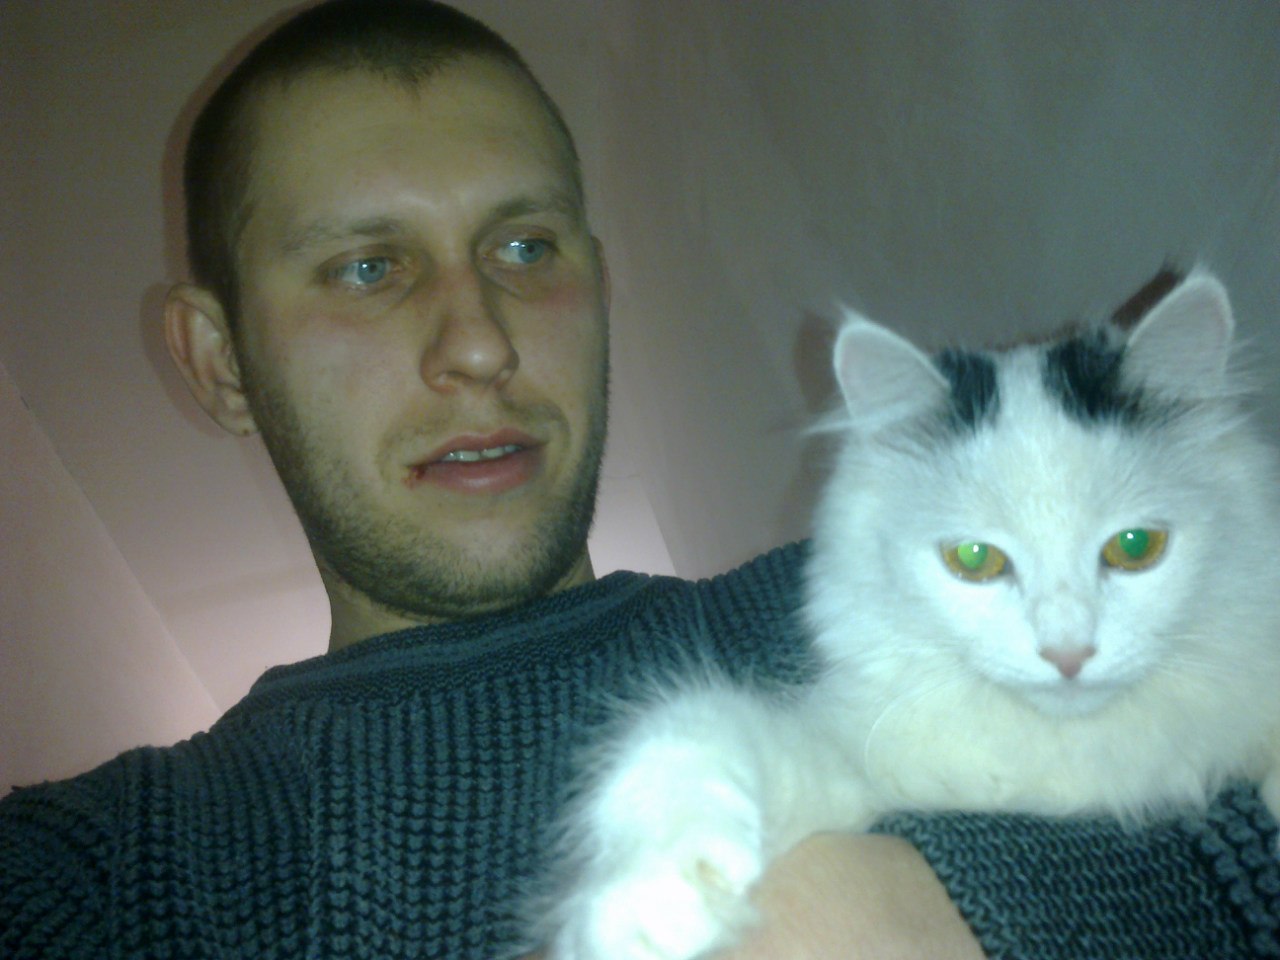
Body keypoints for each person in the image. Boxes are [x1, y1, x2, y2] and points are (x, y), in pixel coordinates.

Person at [1, 2, 1275, 958]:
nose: (479, 343)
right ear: (218, 360)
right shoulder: (90, 873)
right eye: (367, 269)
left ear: (600, 288)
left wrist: (953, 906)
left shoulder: (906, 605)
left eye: (523, 248)